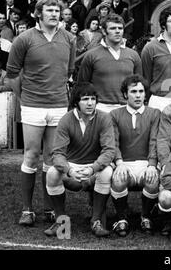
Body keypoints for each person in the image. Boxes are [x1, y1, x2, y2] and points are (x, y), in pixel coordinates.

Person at [6, 0, 76, 227]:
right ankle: (27, 209)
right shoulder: (24, 39)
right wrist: (23, 98)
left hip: (58, 105)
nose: (54, 14)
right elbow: (13, 73)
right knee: (31, 155)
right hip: (32, 106)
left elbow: (68, 72)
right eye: (49, 10)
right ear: (38, 13)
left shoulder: (69, 38)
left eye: (57, 10)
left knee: (52, 158)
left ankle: (49, 208)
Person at [44, 83, 115, 238]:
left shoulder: (104, 118)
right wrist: (69, 170)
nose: (90, 103)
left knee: (107, 171)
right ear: (76, 102)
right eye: (85, 99)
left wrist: (93, 168)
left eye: (93, 99)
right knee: (51, 173)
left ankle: (96, 221)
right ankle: (61, 221)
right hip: (72, 165)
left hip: (95, 164)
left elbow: (109, 150)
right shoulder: (66, 120)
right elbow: (57, 153)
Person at [110, 75, 160, 237]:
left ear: (146, 94)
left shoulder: (154, 114)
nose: (138, 95)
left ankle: (146, 217)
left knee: (153, 179)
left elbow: (154, 141)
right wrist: (119, 163)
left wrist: (152, 164)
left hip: (146, 162)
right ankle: (121, 218)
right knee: (118, 178)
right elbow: (113, 143)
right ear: (125, 94)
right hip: (124, 162)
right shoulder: (115, 114)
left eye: (141, 91)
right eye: (133, 92)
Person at [77, 13, 142, 113]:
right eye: (113, 28)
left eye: (120, 28)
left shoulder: (133, 55)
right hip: (100, 108)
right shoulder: (91, 55)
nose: (117, 31)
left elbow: (138, 85)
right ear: (103, 31)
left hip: (127, 107)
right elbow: (82, 85)